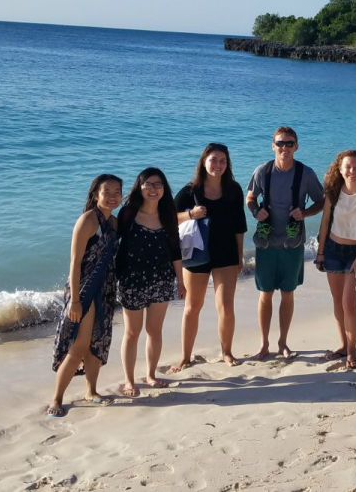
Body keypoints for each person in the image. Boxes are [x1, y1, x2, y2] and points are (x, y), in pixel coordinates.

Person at [245, 126, 324, 361]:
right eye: (280, 143)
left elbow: (321, 201)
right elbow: (250, 197)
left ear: (297, 146)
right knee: (265, 294)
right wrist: (255, 211)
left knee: (288, 293)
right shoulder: (262, 171)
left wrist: (306, 213)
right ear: (273, 146)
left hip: (293, 242)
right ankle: (264, 344)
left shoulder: (306, 173)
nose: (285, 148)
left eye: (290, 143)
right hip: (266, 243)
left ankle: (283, 343)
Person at [47, 173, 123, 418]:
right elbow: (75, 262)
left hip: (106, 289)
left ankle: (91, 391)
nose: (112, 197)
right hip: (85, 290)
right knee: (78, 346)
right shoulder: (88, 220)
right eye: (106, 192)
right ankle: (56, 398)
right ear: (95, 194)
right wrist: (76, 301)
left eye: (116, 192)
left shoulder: (113, 223)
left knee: (97, 342)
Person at [172, 143, 248, 371]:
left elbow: (239, 226)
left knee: (226, 306)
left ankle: (227, 352)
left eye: (222, 161)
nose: (217, 164)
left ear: (228, 164)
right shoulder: (190, 190)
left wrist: (240, 256)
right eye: (213, 160)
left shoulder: (233, 189)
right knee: (192, 307)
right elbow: (168, 218)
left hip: (226, 253)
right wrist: (189, 214)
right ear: (204, 162)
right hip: (196, 253)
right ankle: (186, 356)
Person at [115, 168, 185, 396]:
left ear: (164, 188)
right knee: (132, 332)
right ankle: (129, 380)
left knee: (154, 330)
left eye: (158, 184)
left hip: (161, 279)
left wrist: (181, 282)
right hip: (131, 281)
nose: (153, 189)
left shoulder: (168, 215)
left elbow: (175, 251)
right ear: (140, 187)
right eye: (148, 184)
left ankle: (151, 375)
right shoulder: (128, 213)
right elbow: (111, 242)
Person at [315, 150, 356, 370]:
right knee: (337, 302)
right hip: (332, 250)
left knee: (349, 304)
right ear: (339, 169)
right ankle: (343, 345)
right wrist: (321, 252)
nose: (352, 171)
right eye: (348, 167)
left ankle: (352, 350)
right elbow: (325, 223)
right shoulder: (333, 191)